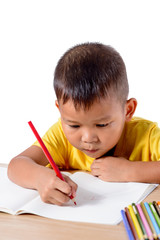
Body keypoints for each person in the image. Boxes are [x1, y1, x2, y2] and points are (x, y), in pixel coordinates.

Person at [8, 42, 160, 206]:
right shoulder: (61, 135)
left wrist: (129, 171)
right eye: (74, 125)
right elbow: (16, 165)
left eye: (102, 125)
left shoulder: (147, 135)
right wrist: (39, 177)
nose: (88, 138)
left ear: (128, 110)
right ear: (60, 110)